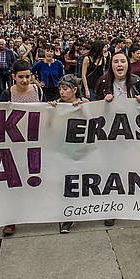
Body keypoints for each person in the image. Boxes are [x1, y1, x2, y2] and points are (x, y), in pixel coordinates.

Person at [94, 50, 140, 227]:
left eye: (123, 61)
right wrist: (103, 101)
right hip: (110, 134)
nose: (119, 65)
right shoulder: (102, 81)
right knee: (111, 169)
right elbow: (94, 108)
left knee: (130, 167)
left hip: (132, 133)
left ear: (127, 64)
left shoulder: (137, 82)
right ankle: (111, 207)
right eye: (116, 61)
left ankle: (131, 201)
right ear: (111, 65)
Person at [0, 60, 44, 236]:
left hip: (36, 141)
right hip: (15, 143)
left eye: (27, 76)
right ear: (13, 77)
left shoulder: (38, 91)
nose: (25, 80)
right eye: (21, 77)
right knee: (14, 181)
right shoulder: (6, 94)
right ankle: (11, 219)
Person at [48, 74, 89, 233]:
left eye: (65, 89)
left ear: (75, 90)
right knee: (67, 182)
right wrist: (50, 110)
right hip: (63, 149)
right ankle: (69, 216)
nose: (61, 92)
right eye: (60, 89)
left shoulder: (85, 103)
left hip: (83, 149)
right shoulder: (56, 104)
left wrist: (83, 107)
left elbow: (94, 118)